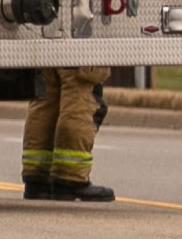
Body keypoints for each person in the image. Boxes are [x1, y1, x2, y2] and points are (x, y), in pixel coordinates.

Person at [22, 67, 114, 202]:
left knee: (46, 99)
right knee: (79, 99)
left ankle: (37, 178)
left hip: (47, 53)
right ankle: (70, 177)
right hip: (78, 54)